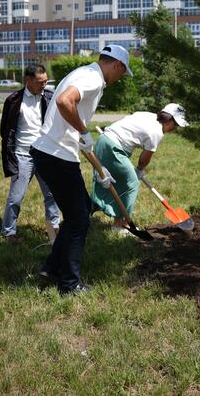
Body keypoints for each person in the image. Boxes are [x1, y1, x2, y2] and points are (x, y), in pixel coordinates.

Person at [31, 45, 132, 296]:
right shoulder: (94, 79)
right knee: (79, 220)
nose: (119, 80)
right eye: (122, 74)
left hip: (50, 153)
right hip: (57, 156)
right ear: (117, 65)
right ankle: (70, 284)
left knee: (81, 211)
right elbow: (66, 102)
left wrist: (100, 169)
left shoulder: (82, 73)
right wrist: (85, 132)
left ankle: (52, 267)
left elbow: (72, 126)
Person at [91, 103, 188, 227]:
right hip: (114, 149)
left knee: (110, 181)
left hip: (103, 141)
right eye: (176, 125)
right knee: (131, 183)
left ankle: (87, 209)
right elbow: (144, 158)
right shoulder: (156, 132)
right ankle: (121, 225)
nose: (175, 128)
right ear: (170, 120)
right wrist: (140, 169)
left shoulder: (147, 115)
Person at [0, 65, 60, 244]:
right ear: (28, 81)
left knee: (52, 195)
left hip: (45, 154)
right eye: (40, 82)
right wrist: (11, 156)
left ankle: (54, 229)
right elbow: (6, 130)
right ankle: (9, 232)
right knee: (16, 197)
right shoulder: (13, 100)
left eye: (46, 81)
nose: (44, 85)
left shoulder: (50, 97)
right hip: (22, 155)